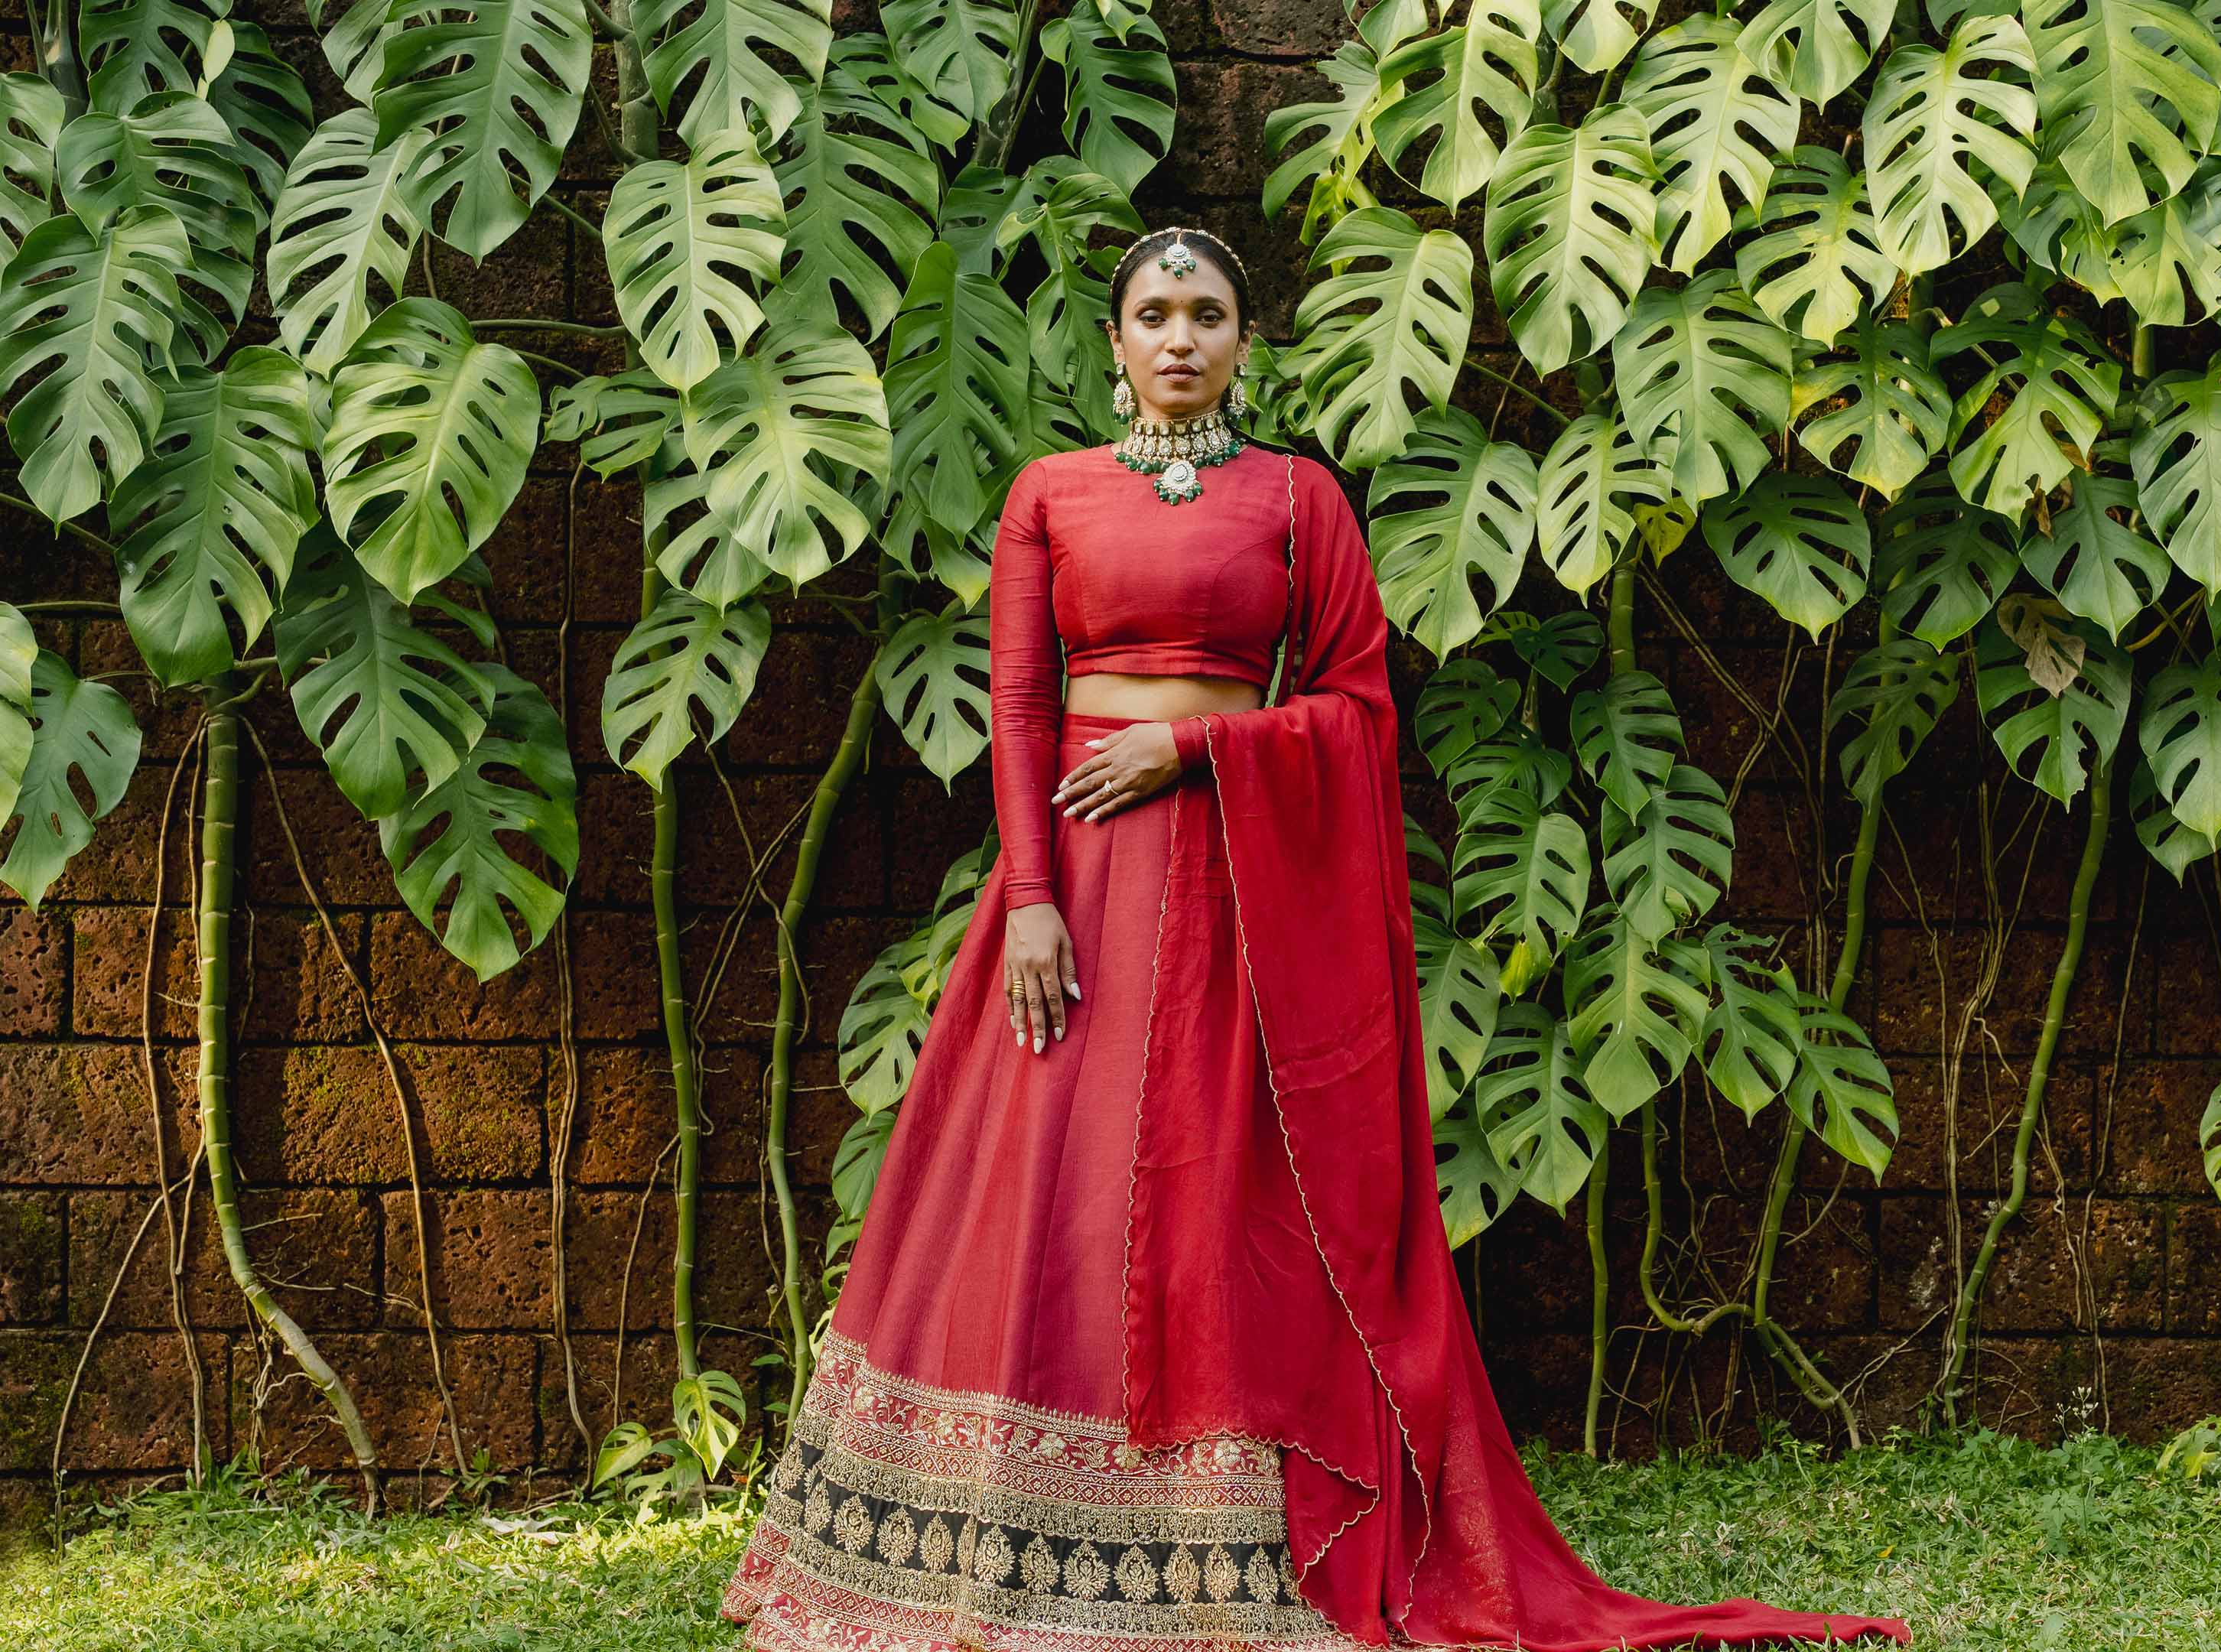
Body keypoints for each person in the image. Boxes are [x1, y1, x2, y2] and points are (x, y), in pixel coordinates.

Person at [717, 225, 1912, 1652]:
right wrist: (1028, 898)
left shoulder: (1300, 497)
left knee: (1214, 1189)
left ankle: (1212, 1540)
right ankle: (996, 1540)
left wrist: (1195, 748)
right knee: (1051, 1190)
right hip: (1076, 892)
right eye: (1153, 314)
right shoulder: (1050, 493)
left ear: (1243, 340)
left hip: (1237, 893)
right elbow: (1023, 709)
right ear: (1114, 341)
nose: (1179, 338)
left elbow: (1354, 707)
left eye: (1206, 314)